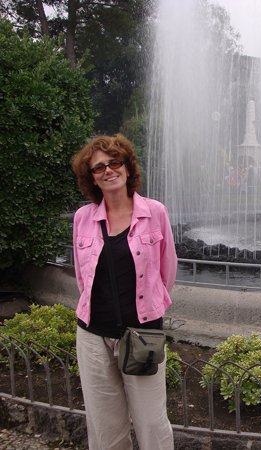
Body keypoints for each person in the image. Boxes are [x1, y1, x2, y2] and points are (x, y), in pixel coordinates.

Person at [70, 134, 177, 450]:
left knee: (152, 424)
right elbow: (82, 277)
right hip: (93, 335)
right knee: (105, 428)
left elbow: (166, 272)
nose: (108, 170)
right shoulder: (83, 218)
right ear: (92, 178)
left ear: (127, 168)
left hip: (142, 333)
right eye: (98, 167)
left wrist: (149, 310)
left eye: (114, 162)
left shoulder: (155, 212)